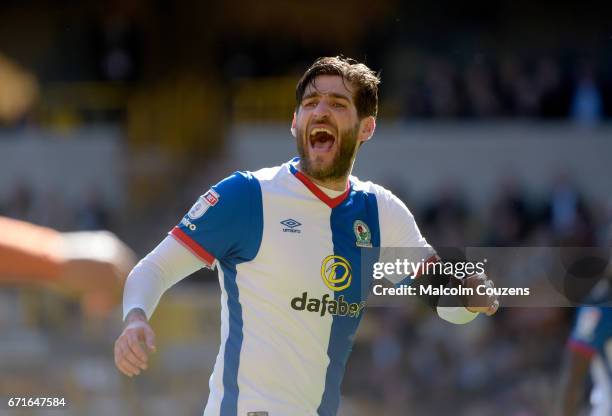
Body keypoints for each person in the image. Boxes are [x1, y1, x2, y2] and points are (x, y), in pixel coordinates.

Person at [114, 56, 499, 416]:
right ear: (295, 121)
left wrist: (470, 300)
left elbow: (442, 301)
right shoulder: (247, 196)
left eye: (337, 103)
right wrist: (135, 318)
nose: (320, 111)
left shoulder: (381, 212)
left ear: (367, 127)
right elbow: (155, 268)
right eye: (311, 102)